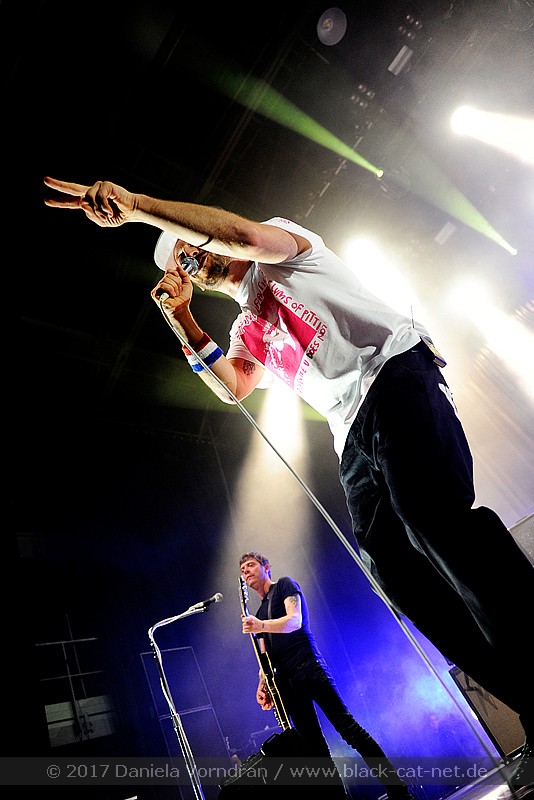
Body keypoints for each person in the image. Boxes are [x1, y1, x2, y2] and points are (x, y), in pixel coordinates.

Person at [43, 177, 534, 780]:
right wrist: (182, 319)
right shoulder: (242, 330)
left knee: (435, 522)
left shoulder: (283, 245)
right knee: (395, 571)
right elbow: (233, 387)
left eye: (193, 246)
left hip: (392, 373)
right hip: (350, 430)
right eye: (185, 263)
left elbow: (241, 235)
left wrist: (140, 208)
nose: (195, 261)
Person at [239, 550, 412, 799]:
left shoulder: (284, 586)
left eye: (250, 565)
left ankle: (398, 791)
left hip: (308, 668)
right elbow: (265, 657)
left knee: (349, 730)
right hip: (288, 685)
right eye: (243, 569)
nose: (246, 571)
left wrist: (261, 625)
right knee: (316, 754)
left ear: (266, 567)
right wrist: (262, 684)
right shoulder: (259, 612)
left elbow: (295, 621)